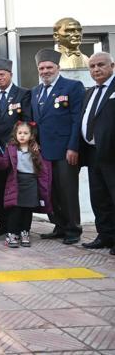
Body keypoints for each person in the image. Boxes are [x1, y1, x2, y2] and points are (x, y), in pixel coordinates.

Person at [31, 48, 85, 244]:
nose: (45, 71)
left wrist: (73, 147)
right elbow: (34, 123)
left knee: (67, 191)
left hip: (65, 151)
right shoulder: (36, 92)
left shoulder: (72, 87)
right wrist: (34, 144)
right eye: (41, 68)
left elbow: (76, 120)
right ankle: (60, 226)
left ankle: (73, 229)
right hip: (44, 151)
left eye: (48, 67)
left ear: (57, 67)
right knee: (51, 191)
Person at [0, 58, 31, 235]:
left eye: (2, 74)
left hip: (17, 149)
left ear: (10, 75)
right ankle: (3, 224)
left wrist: (19, 143)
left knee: (17, 188)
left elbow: (27, 120)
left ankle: (19, 225)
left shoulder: (23, 94)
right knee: (0, 189)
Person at [0, 122, 52, 248]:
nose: (22, 136)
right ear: (15, 134)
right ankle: (12, 234)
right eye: (20, 133)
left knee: (27, 210)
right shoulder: (11, 148)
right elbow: (5, 164)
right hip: (16, 182)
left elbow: (42, 168)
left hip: (31, 183)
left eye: (25, 133)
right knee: (15, 210)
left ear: (31, 135)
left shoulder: (35, 149)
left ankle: (25, 233)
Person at [80, 52, 115, 253]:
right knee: (99, 197)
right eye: (92, 67)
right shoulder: (91, 92)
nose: (96, 70)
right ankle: (105, 235)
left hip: (112, 153)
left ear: (112, 65)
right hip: (93, 152)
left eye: (101, 65)